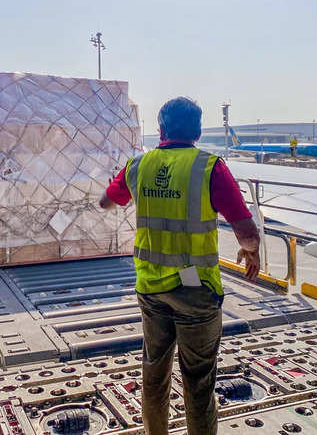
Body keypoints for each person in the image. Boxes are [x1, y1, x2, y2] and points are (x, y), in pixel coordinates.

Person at [99, 97, 261, 435]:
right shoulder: (209, 167)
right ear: (198, 132)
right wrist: (252, 251)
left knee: (154, 373)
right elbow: (245, 230)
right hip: (195, 292)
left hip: (151, 290)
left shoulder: (138, 166)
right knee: (199, 383)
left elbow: (106, 201)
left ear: (161, 129)